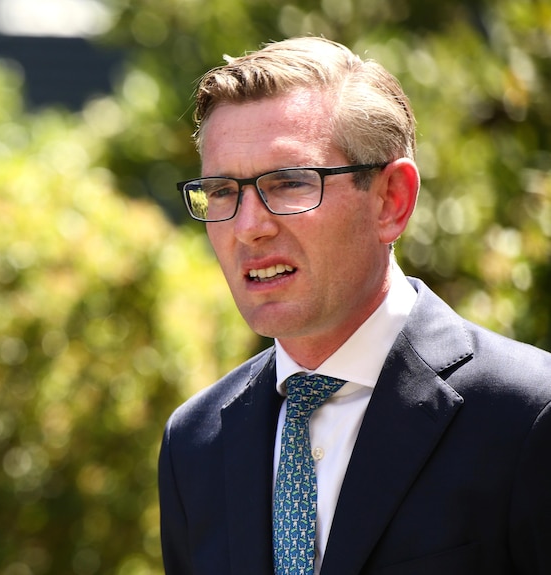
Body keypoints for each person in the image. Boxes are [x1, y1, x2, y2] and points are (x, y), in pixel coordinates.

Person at [159, 36, 551, 575]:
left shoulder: (529, 416)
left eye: (289, 182)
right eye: (223, 191)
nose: (249, 227)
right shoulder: (195, 443)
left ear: (392, 201)